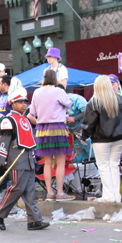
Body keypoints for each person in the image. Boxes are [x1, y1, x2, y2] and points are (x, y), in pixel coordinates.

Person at [0, 88, 49, 231]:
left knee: (30, 192)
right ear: (12, 104)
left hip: (28, 160)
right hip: (16, 160)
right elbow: (3, 142)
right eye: (20, 102)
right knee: (17, 189)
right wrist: (0, 161)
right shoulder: (8, 120)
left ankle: (34, 220)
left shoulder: (25, 119)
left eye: (25, 102)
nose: (24, 105)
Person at [79, 75, 122, 202]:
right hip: (118, 137)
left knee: (103, 166)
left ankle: (108, 196)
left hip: (101, 139)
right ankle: (116, 195)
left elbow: (89, 122)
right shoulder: (120, 100)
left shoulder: (94, 102)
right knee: (114, 165)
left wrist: (84, 136)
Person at [29, 69, 73, 200]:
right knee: (60, 162)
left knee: (47, 163)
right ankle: (60, 192)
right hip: (58, 127)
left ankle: (49, 192)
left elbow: (32, 113)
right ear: (55, 79)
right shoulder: (59, 91)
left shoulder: (37, 92)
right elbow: (69, 104)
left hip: (42, 129)